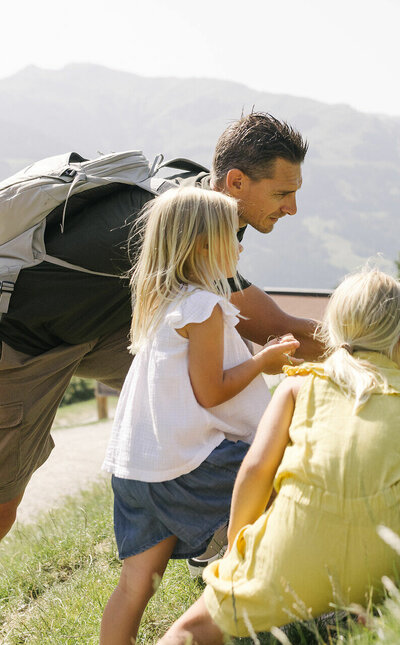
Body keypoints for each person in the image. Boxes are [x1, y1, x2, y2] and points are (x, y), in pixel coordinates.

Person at [0, 112, 400, 542]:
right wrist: (396, 350)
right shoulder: (183, 225)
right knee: (4, 500)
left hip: (104, 324)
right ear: (236, 181)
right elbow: (279, 332)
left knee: (228, 381)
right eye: (282, 193)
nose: (292, 209)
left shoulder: (204, 198)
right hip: (21, 339)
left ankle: (216, 525)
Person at [159, 269, 400, 644]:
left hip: (289, 555)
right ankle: (371, 606)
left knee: (188, 631)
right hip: (386, 561)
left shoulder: (297, 385)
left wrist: (237, 547)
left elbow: (256, 471)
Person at [98, 186, 301, 645]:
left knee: (136, 583)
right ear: (202, 246)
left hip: (138, 470)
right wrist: (264, 362)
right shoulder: (203, 307)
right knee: (276, 502)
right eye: (233, 236)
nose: (242, 246)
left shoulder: (161, 305)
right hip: (188, 467)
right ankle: (261, 617)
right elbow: (211, 393)